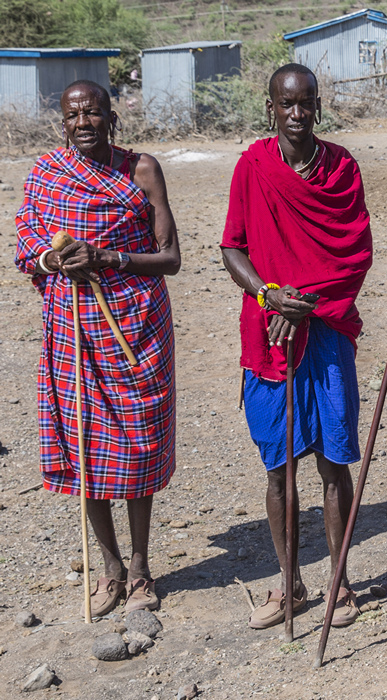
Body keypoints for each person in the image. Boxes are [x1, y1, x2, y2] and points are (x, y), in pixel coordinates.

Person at [14, 80, 180, 616]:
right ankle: (109, 568)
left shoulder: (142, 170)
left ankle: (140, 567)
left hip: (137, 330)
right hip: (74, 329)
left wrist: (108, 259)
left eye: (93, 113)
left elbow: (170, 257)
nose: (83, 122)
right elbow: (28, 244)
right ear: (62, 122)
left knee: (136, 446)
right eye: (73, 115)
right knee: (87, 444)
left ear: (113, 118)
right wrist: (54, 261)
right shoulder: (47, 175)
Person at [221, 64, 372, 630]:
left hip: (326, 333)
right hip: (269, 335)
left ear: (317, 106)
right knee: (279, 469)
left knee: (334, 463)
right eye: (287, 104)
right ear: (271, 108)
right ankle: (291, 586)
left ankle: (341, 582)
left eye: (306, 102)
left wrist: (301, 302)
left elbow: (355, 252)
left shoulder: (341, 168)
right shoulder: (253, 167)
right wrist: (269, 295)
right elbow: (232, 248)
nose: (297, 113)